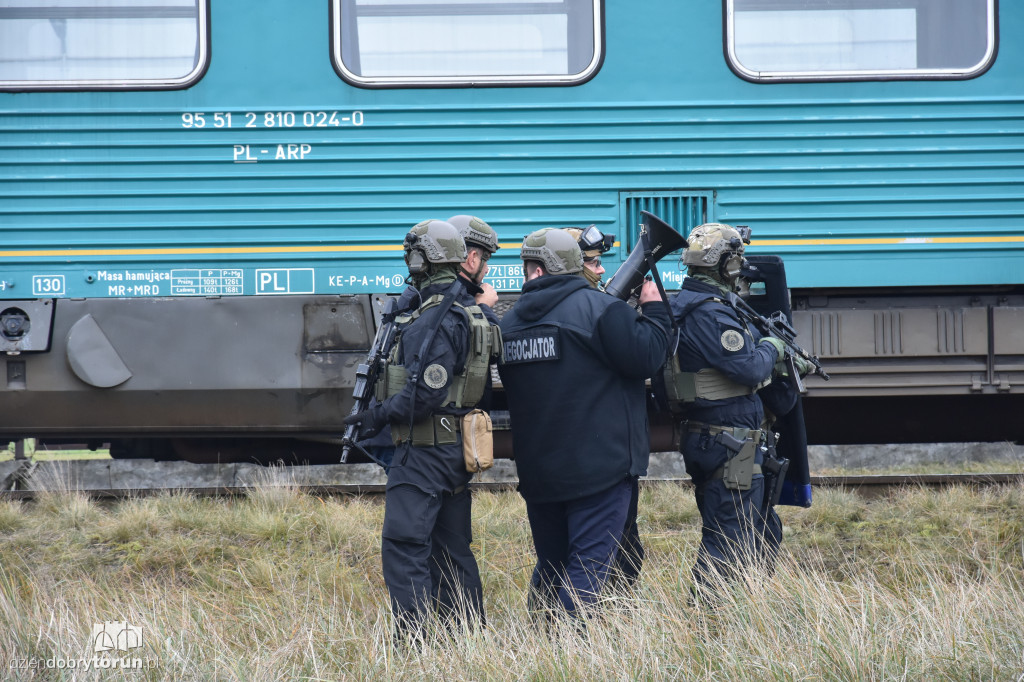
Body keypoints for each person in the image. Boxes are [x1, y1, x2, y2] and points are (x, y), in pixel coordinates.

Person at [498, 228, 671, 620]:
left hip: (541, 475)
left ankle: (541, 642)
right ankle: (567, 651)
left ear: (532, 269)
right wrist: (655, 310)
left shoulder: (508, 326)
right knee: (588, 569)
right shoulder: (599, 310)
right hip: (599, 471)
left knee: (553, 565)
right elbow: (646, 357)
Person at [344, 219, 501, 638]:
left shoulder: (437, 319)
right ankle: (465, 637)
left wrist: (376, 417)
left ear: (421, 259)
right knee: (451, 549)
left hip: (424, 453)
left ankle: (415, 643)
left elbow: (425, 393)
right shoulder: (463, 310)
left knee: (405, 547)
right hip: (452, 451)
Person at [665, 222, 810, 599]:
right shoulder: (709, 313)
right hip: (729, 445)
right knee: (728, 544)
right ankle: (710, 626)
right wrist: (775, 349)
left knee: (760, 532)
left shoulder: (692, 304)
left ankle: (745, 617)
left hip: (727, 441)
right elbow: (747, 368)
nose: (741, 267)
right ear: (726, 266)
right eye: (737, 259)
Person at [563, 225, 645, 588]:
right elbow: (646, 359)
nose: (601, 270)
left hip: (581, 456)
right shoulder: (594, 314)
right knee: (604, 554)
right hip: (601, 460)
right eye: (593, 263)